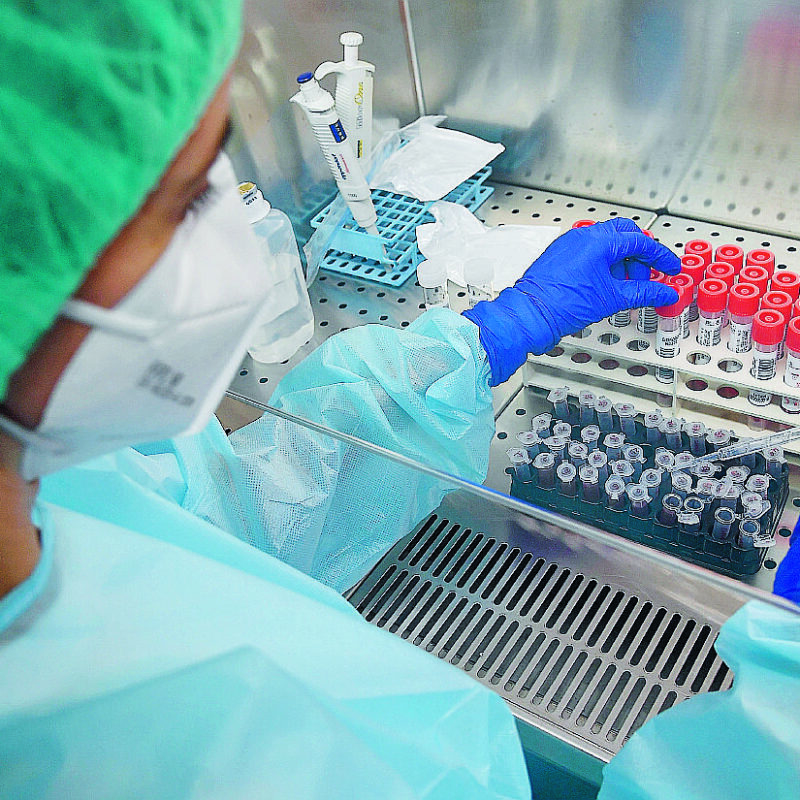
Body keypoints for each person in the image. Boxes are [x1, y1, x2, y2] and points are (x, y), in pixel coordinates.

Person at [2, 2, 796, 798]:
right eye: (190, 199)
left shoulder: (78, 491)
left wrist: (489, 336)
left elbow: (251, 504)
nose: (237, 239)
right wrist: (780, 719)